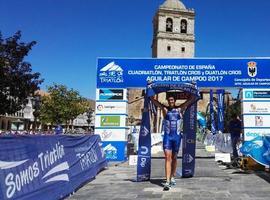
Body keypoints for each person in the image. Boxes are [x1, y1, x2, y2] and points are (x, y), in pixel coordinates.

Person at [151, 93, 195, 191]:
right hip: (167, 137)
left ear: (174, 101)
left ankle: (172, 176)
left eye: (172, 100)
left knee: (174, 158)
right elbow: (156, 103)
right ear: (168, 101)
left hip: (177, 137)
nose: (171, 101)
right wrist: (150, 95)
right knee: (167, 157)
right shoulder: (165, 110)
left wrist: (193, 92)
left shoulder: (179, 109)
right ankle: (167, 181)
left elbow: (189, 101)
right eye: (169, 100)